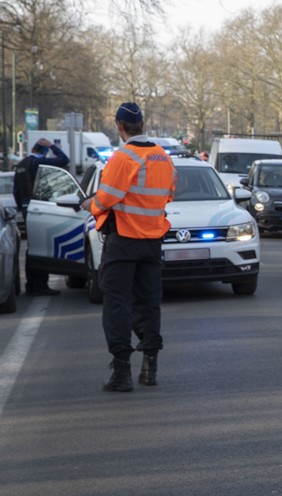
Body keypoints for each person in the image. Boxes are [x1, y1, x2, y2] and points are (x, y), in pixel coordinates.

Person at [83, 102, 175, 392]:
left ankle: (121, 373)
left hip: (123, 241)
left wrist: (91, 204)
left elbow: (107, 198)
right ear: (142, 124)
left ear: (119, 126)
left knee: (117, 304)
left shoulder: (123, 157)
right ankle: (150, 367)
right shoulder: (163, 157)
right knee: (149, 303)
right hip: (152, 242)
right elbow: (168, 195)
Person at [13, 138, 70, 295]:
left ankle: (31, 285)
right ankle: (39, 285)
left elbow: (16, 191)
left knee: (33, 247)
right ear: (43, 150)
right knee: (41, 247)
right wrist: (52, 146)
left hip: (27, 208)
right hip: (38, 207)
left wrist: (22, 206)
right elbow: (65, 160)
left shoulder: (21, 165)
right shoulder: (39, 163)